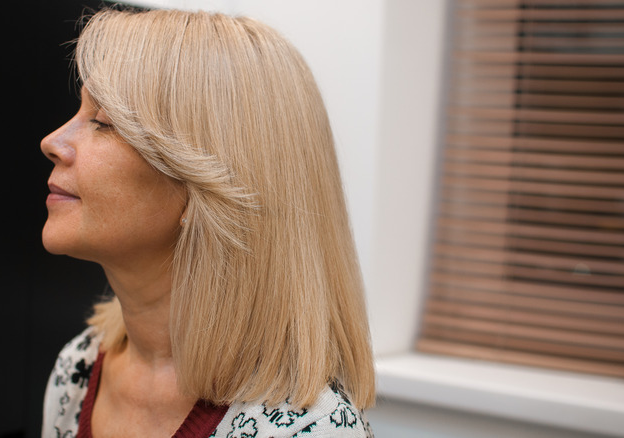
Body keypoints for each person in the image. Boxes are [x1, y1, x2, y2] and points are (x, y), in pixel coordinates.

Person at [40, 7, 375, 438]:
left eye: (103, 122)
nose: (52, 142)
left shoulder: (310, 429)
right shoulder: (79, 368)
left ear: (201, 187)